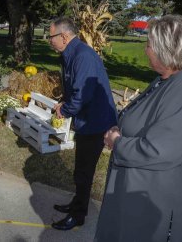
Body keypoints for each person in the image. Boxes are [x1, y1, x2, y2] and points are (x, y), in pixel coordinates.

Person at [95, 15, 182, 241]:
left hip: (157, 207)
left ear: (168, 49)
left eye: (149, 45)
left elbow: (161, 150)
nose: (146, 50)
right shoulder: (167, 79)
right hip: (138, 197)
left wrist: (118, 142)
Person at [48, 17, 117, 231]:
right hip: (86, 120)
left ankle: (78, 215)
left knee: (84, 172)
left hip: (95, 122)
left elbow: (82, 95)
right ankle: (77, 204)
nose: (49, 40)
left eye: (51, 36)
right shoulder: (71, 53)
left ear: (64, 36)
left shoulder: (83, 56)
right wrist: (66, 103)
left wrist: (64, 109)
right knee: (81, 169)